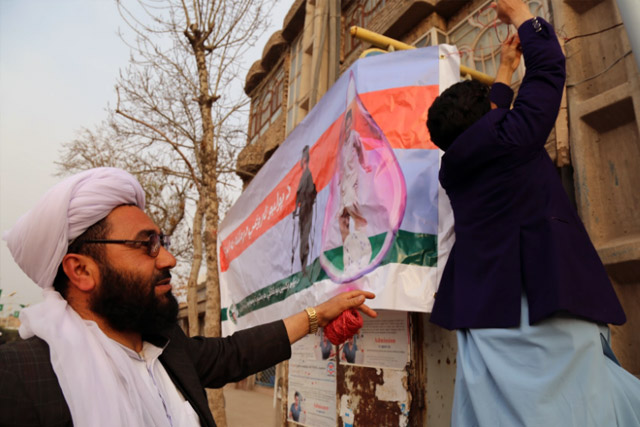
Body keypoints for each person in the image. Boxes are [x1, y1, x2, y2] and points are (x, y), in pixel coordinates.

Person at [0, 167, 377, 427]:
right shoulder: (19, 376)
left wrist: (318, 315)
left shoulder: (165, 349)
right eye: (145, 245)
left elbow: (233, 354)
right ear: (81, 270)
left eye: (160, 241)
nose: (168, 258)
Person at [426, 0, 640, 425]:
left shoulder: (452, 170)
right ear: (489, 116)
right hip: (547, 310)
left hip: (486, 315)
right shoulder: (511, 141)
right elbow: (548, 71)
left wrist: (504, 69)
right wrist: (523, 15)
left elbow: (491, 122)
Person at [293, 145, 317, 275]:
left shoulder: (308, 174)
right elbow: (298, 194)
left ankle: (304, 267)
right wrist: (296, 208)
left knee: (305, 238)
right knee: (302, 237)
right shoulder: (303, 176)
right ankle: (303, 267)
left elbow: (310, 193)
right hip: (302, 211)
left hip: (307, 211)